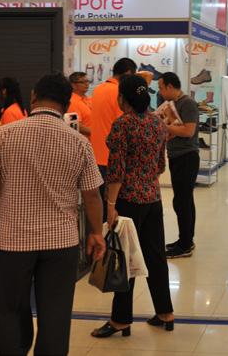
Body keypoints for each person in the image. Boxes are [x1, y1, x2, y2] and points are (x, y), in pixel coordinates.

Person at [0, 73, 106, 356]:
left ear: (33, 96)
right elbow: (92, 194)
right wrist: (96, 233)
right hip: (61, 244)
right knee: (56, 312)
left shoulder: (4, 135)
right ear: (67, 103)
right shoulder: (79, 142)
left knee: (8, 309)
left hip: (12, 242)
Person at [91, 74, 175, 338]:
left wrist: (111, 204)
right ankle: (165, 312)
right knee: (155, 256)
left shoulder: (123, 124)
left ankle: (120, 320)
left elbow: (116, 170)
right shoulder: (157, 123)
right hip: (152, 197)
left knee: (123, 259)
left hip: (127, 200)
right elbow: (160, 165)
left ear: (122, 98)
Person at [158, 72, 200, 259]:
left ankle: (185, 244)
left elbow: (188, 131)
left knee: (182, 202)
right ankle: (186, 239)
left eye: (161, 88)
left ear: (169, 86)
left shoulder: (187, 103)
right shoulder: (172, 105)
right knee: (184, 200)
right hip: (177, 156)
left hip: (186, 157)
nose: (160, 92)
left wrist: (164, 126)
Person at [90, 57, 137, 216]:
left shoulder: (98, 89)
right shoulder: (120, 93)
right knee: (115, 209)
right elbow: (126, 124)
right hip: (114, 158)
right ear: (128, 73)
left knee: (101, 207)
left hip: (96, 156)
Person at [68, 71, 93, 137]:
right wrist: (95, 132)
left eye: (87, 81)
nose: (87, 84)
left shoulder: (89, 99)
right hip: (83, 140)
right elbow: (74, 125)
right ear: (73, 85)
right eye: (82, 82)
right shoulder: (71, 102)